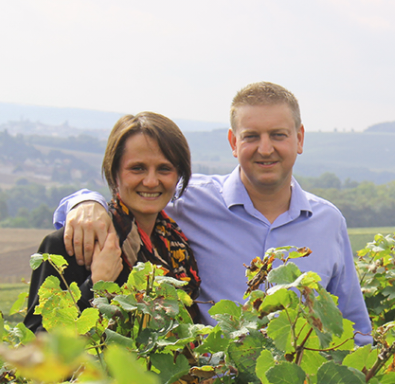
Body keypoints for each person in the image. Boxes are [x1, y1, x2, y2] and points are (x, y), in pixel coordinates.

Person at [54, 82, 372, 345]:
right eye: (251, 136)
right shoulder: (188, 201)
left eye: (278, 135)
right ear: (233, 142)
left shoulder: (329, 222)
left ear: (299, 139)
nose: (265, 148)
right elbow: (134, 194)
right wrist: (85, 203)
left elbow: (354, 326)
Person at [25, 112, 201, 333]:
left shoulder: (177, 246)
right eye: (137, 168)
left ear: (178, 176)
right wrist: (96, 285)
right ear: (114, 172)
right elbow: (37, 342)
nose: (150, 181)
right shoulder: (74, 243)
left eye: (164, 169)